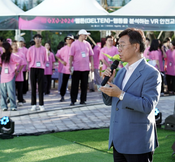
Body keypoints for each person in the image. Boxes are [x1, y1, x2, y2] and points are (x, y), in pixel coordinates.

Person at [100, 28, 160, 162]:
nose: (118, 49)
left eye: (122, 45)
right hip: (118, 140)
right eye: (118, 45)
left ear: (136, 47)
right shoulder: (121, 72)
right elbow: (110, 101)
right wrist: (107, 85)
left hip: (137, 142)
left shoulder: (151, 73)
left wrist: (121, 94)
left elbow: (147, 106)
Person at [69, 29, 94, 105]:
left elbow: (91, 55)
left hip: (86, 68)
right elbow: (71, 56)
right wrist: (70, 65)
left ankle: (83, 100)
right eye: (85, 35)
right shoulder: (74, 44)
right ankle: (73, 100)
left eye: (86, 35)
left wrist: (92, 65)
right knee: (74, 85)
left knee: (84, 85)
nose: (86, 36)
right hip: (76, 68)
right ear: (80, 35)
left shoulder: (87, 44)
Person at [0, 42, 23, 111]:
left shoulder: (12, 55)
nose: (2, 49)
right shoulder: (2, 56)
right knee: (3, 92)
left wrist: (15, 69)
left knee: (11, 92)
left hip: (10, 76)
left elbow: (20, 60)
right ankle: (4, 106)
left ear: (6, 48)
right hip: (3, 76)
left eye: (3, 47)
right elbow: (1, 64)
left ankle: (13, 106)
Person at [27, 34, 47, 111]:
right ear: (34, 40)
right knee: (33, 86)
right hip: (33, 68)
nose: (38, 39)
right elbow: (28, 60)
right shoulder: (30, 49)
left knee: (41, 87)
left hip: (41, 68)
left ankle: (41, 104)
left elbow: (45, 59)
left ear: (41, 40)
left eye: (39, 38)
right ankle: (33, 104)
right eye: (36, 38)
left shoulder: (44, 49)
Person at [56, 35, 74, 102]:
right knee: (64, 83)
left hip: (73, 68)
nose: (69, 40)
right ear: (66, 40)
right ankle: (62, 96)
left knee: (74, 83)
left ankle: (73, 96)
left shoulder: (74, 47)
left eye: (70, 39)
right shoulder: (63, 49)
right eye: (68, 39)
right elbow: (57, 55)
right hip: (65, 69)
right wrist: (61, 61)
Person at [12, 40, 27, 106]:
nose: (15, 47)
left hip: (19, 74)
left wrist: (18, 71)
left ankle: (20, 100)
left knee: (20, 88)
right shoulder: (10, 54)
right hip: (11, 74)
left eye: (16, 46)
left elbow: (23, 63)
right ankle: (11, 100)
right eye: (14, 46)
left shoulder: (21, 54)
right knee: (11, 88)